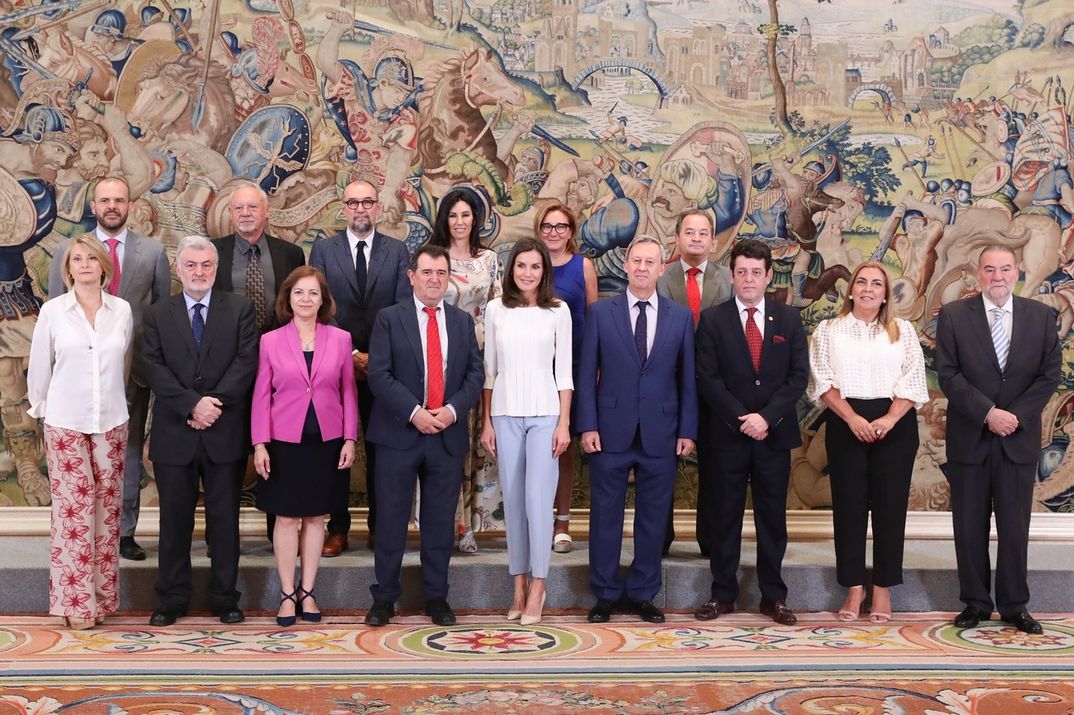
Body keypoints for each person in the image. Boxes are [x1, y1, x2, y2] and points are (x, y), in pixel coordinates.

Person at [936, 245, 1061, 634]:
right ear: (979, 274)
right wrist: (988, 413)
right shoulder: (955, 316)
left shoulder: (1041, 317)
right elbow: (948, 374)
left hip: (1017, 439)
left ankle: (1013, 605)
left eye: (1005, 269)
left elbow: (1048, 377)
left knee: (1013, 526)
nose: (998, 277)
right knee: (969, 525)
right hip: (970, 436)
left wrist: (1014, 417)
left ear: (1018, 272)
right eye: (990, 269)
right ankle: (975, 602)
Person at [48, 177, 170, 562]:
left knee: (127, 455)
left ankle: (124, 533)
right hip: (77, 379)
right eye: (105, 200)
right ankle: (85, 534)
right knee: (81, 465)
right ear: (94, 206)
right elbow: (55, 315)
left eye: (119, 199)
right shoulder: (69, 249)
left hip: (132, 374)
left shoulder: (152, 251)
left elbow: (162, 313)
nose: (112, 206)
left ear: (130, 205)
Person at [578, 236, 698, 625]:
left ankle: (644, 594)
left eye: (651, 262)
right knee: (605, 516)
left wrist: (687, 429)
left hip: (661, 431)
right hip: (609, 429)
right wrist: (588, 425)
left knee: (653, 516)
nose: (643, 267)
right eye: (637, 261)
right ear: (625, 266)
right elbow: (585, 373)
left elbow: (687, 380)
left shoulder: (680, 317)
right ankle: (606, 594)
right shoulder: (600, 313)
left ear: (662, 269)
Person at [363, 245, 484, 627]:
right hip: (400, 433)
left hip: (445, 435)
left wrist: (449, 412)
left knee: (438, 521)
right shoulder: (389, 319)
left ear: (449, 278)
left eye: (441, 273)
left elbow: (475, 376)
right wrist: (416, 414)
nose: (434, 280)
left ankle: (437, 597)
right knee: (391, 520)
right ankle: (384, 598)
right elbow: (379, 374)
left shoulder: (462, 322)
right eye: (427, 272)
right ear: (411, 276)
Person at [142, 235, 259, 626]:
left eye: (206, 265)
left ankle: (225, 598)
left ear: (216, 268)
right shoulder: (159, 314)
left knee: (224, 521)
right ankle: (172, 600)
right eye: (191, 265)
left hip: (223, 431)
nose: (199, 272)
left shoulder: (240, 309)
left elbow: (246, 362)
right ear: (179, 268)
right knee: (174, 522)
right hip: (175, 432)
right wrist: (192, 404)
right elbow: (153, 368)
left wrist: (212, 404)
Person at [692, 239, 807, 625]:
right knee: (725, 517)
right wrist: (743, 418)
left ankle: (773, 597)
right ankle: (722, 594)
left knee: (772, 519)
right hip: (727, 435)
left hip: (772, 436)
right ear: (731, 274)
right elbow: (707, 379)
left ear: (769, 275)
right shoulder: (713, 319)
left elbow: (797, 378)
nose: (748, 279)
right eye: (741, 271)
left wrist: (765, 418)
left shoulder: (788, 319)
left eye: (756, 272)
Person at [807, 261, 927, 623]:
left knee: (890, 511)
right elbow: (822, 381)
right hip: (847, 421)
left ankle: (883, 591)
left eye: (877, 284)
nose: (868, 289)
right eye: (862, 282)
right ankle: (854, 588)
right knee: (849, 510)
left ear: (886, 293)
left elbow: (914, 377)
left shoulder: (902, 330)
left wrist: (890, 418)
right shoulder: (829, 330)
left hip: (895, 424)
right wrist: (852, 418)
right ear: (851, 289)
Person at [28, 236, 133, 629]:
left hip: (111, 421)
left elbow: (122, 364)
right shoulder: (53, 312)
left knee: (107, 516)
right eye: (77, 259)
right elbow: (40, 369)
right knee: (74, 516)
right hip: (65, 422)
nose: (85, 264)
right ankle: (76, 604)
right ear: (67, 268)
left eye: (92, 258)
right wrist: (42, 411)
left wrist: (114, 404)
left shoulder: (121, 311)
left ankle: (101, 600)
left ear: (104, 266)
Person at [251, 266, 358, 627]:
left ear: (323, 300)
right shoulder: (270, 341)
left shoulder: (341, 339)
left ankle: (308, 591)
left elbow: (348, 392)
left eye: (313, 293)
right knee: (285, 518)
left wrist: (349, 438)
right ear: (288, 299)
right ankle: (285, 593)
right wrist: (260, 443)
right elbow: (261, 395)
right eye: (299, 293)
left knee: (315, 518)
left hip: (326, 442)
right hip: (283, 441)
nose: (306, 299)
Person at [310, 179, 411, 557]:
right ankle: (337, 529)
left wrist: (376, 359)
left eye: (367, 201)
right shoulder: (323, 250)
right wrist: (351, 353)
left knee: (383, 452)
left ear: (378, 207)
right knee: (337, 450)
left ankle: (379, 527)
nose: (360, 209)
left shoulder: (398, 252)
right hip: (336, 367)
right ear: (343, 208)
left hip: (385, 370)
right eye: (353, 202)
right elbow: (318, 306)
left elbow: (402, 308)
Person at [480, 237, 573, 625]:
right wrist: (487, 421)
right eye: (521, 266)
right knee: (514, 504)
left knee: (538, 501)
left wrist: (564, 423)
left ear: (544, 271)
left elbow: (564, 373)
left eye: (535, 267)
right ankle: (517, 583)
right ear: (511, 270)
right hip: (504, 414)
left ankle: (539, 584)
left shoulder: (558, 311)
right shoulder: (495, 309)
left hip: (546, 415)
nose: (528, 273)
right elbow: (490, 372)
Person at [212, 183, 305, 544]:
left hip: (281, 371)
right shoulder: (214, 254)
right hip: (229, 371)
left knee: (278, 452)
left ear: (265, 212)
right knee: (230, 455)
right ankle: (224, 537)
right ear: (231, 214)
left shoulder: (290, 254)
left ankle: (277, 535)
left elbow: (300, 310)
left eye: (253, 207)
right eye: (239, 209)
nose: (246, 214)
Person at [427, 188, 503, 554]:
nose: (460, 222)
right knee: (442, 449)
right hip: (438, 366)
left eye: (466, 215)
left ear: (476, 219)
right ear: (445, 219)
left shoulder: (489, 261)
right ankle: (444, 523)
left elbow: (498, 311)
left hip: (479, 364)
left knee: (474, 448)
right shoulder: (434, 258)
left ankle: (470, 527)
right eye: (453, 215)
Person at [655, 209, 733, 557]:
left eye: (704, 233)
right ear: (677, 237)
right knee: (661, 466)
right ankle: (660, 538)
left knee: (715, 466)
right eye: (690, 232)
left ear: (713, 242)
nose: (697, 238)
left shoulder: (727, 279)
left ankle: (710, 540)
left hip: (714, 389)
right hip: (667, 386)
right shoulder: (662, 277)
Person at [535, 202, 598, 554]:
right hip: (533, 368)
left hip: (570, 369)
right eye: (547, 226)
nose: (554, 232)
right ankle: (535, 518)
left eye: (561, 226)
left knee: (563, 446)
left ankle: (561, 523)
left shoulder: (583, 266)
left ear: (571, 231)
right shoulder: (531, 264)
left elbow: (594, 319)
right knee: (534, 446)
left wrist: (594, 367)